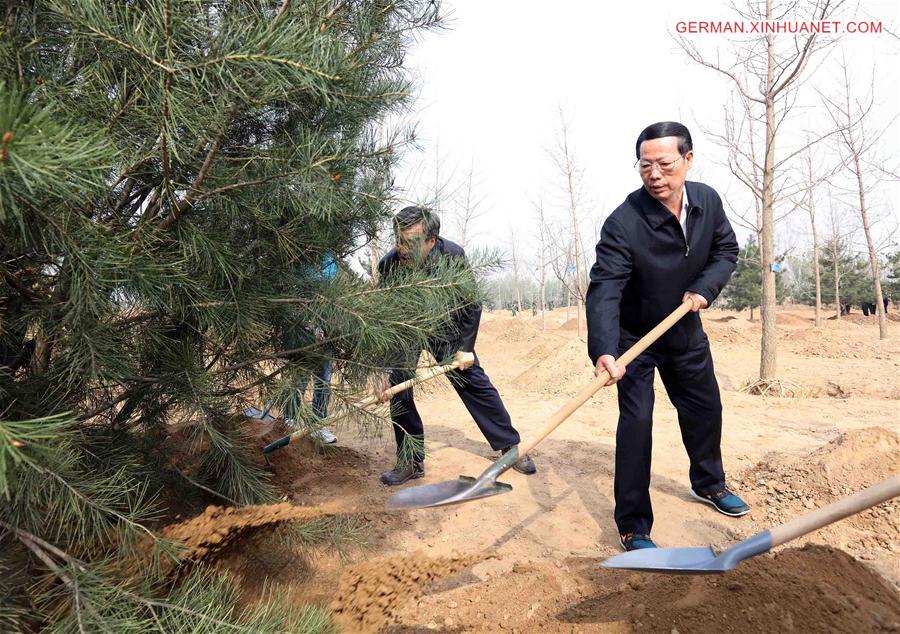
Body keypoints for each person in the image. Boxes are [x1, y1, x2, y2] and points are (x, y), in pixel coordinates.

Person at [585, 121, 749, 552]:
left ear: (687, 160)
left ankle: (709, 484)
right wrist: (604, 349)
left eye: (664, 163)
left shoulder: (707, 202)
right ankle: (634, 526)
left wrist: (705, 288)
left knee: (705, 409)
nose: (654, 174)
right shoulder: (624, 222)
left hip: (684, 330)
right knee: (636, 425)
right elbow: (605, 288)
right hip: (633, 340)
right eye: (645, 166)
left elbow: (726, 251)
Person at [375, 206, 536, 484]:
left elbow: (472, 303)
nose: (402, 248)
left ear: (431, 241)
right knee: (398, 388)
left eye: (410, 242)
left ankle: (510, 446)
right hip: (406, 330)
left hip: (445, 327)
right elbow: (383, 319)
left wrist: (466, 347)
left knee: (472, 381)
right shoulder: (389, 265)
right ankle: (410, 461)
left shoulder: (452, 256)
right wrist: (383, 368)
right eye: (398, 239)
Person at [281, 255, 338, 444]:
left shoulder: (329, 257)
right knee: (300, 377)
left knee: (324, 379)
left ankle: (318, 424)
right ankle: (289, 420)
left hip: (324, 328)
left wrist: (325, 326)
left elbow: (330, 294)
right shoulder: (297, 257)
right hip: (299, 328)